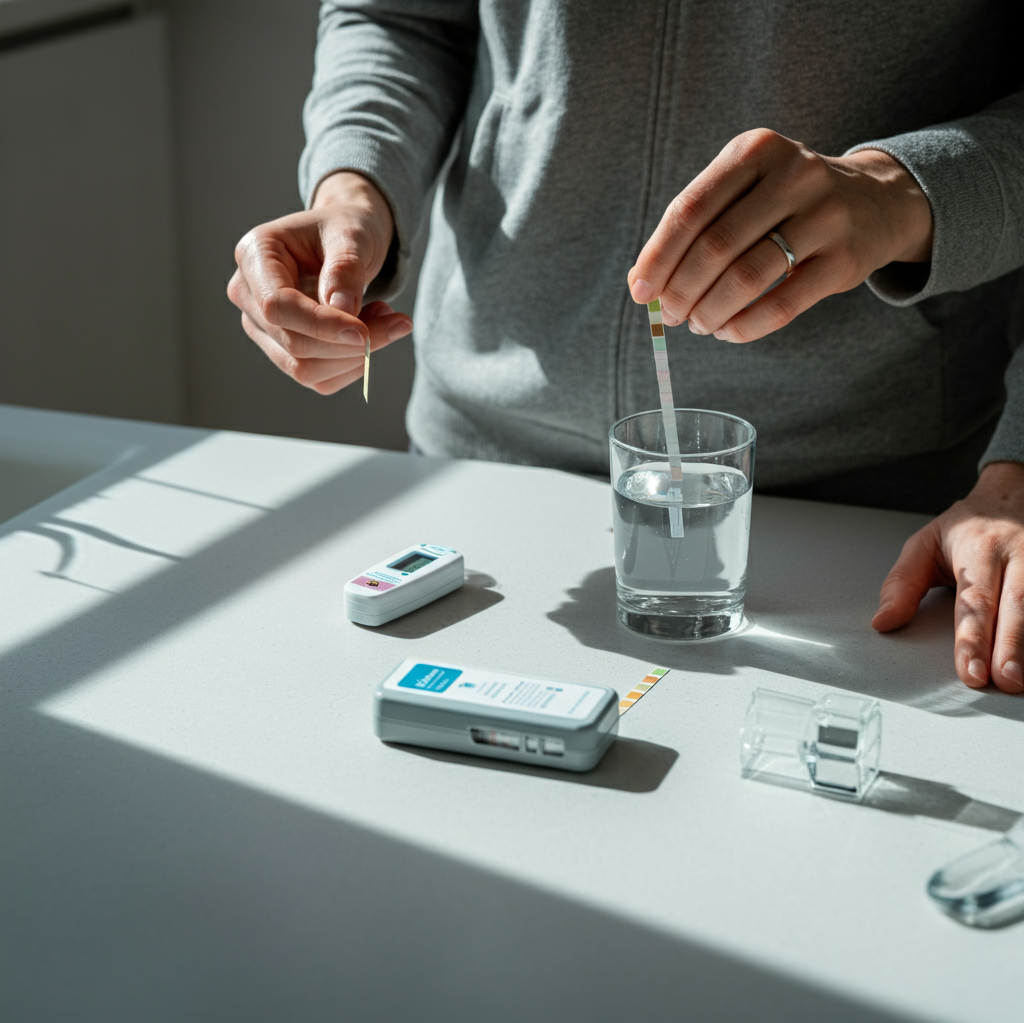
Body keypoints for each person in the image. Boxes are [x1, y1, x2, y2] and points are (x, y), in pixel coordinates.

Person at [227, 2, 1024, 693]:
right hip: (478, 472)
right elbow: (400, 18)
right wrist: (355, 188)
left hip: (873, 524)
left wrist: (905, 192)